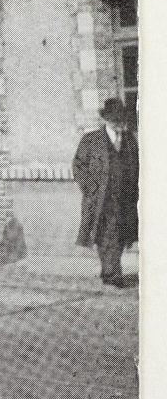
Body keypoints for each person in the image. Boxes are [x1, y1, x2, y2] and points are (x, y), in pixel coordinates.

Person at [72, 98, 139, 288]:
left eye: (122, 120)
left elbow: (138, 166)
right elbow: (78, 166)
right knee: (104, 235)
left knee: (119, 236)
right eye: (116, 121)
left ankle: (108, 270)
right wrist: (90, 188)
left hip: (124, 199)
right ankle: (112, 274)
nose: (120, 125)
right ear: (107, 120)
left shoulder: (129, 140)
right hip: (100, 200)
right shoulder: (91, 140)